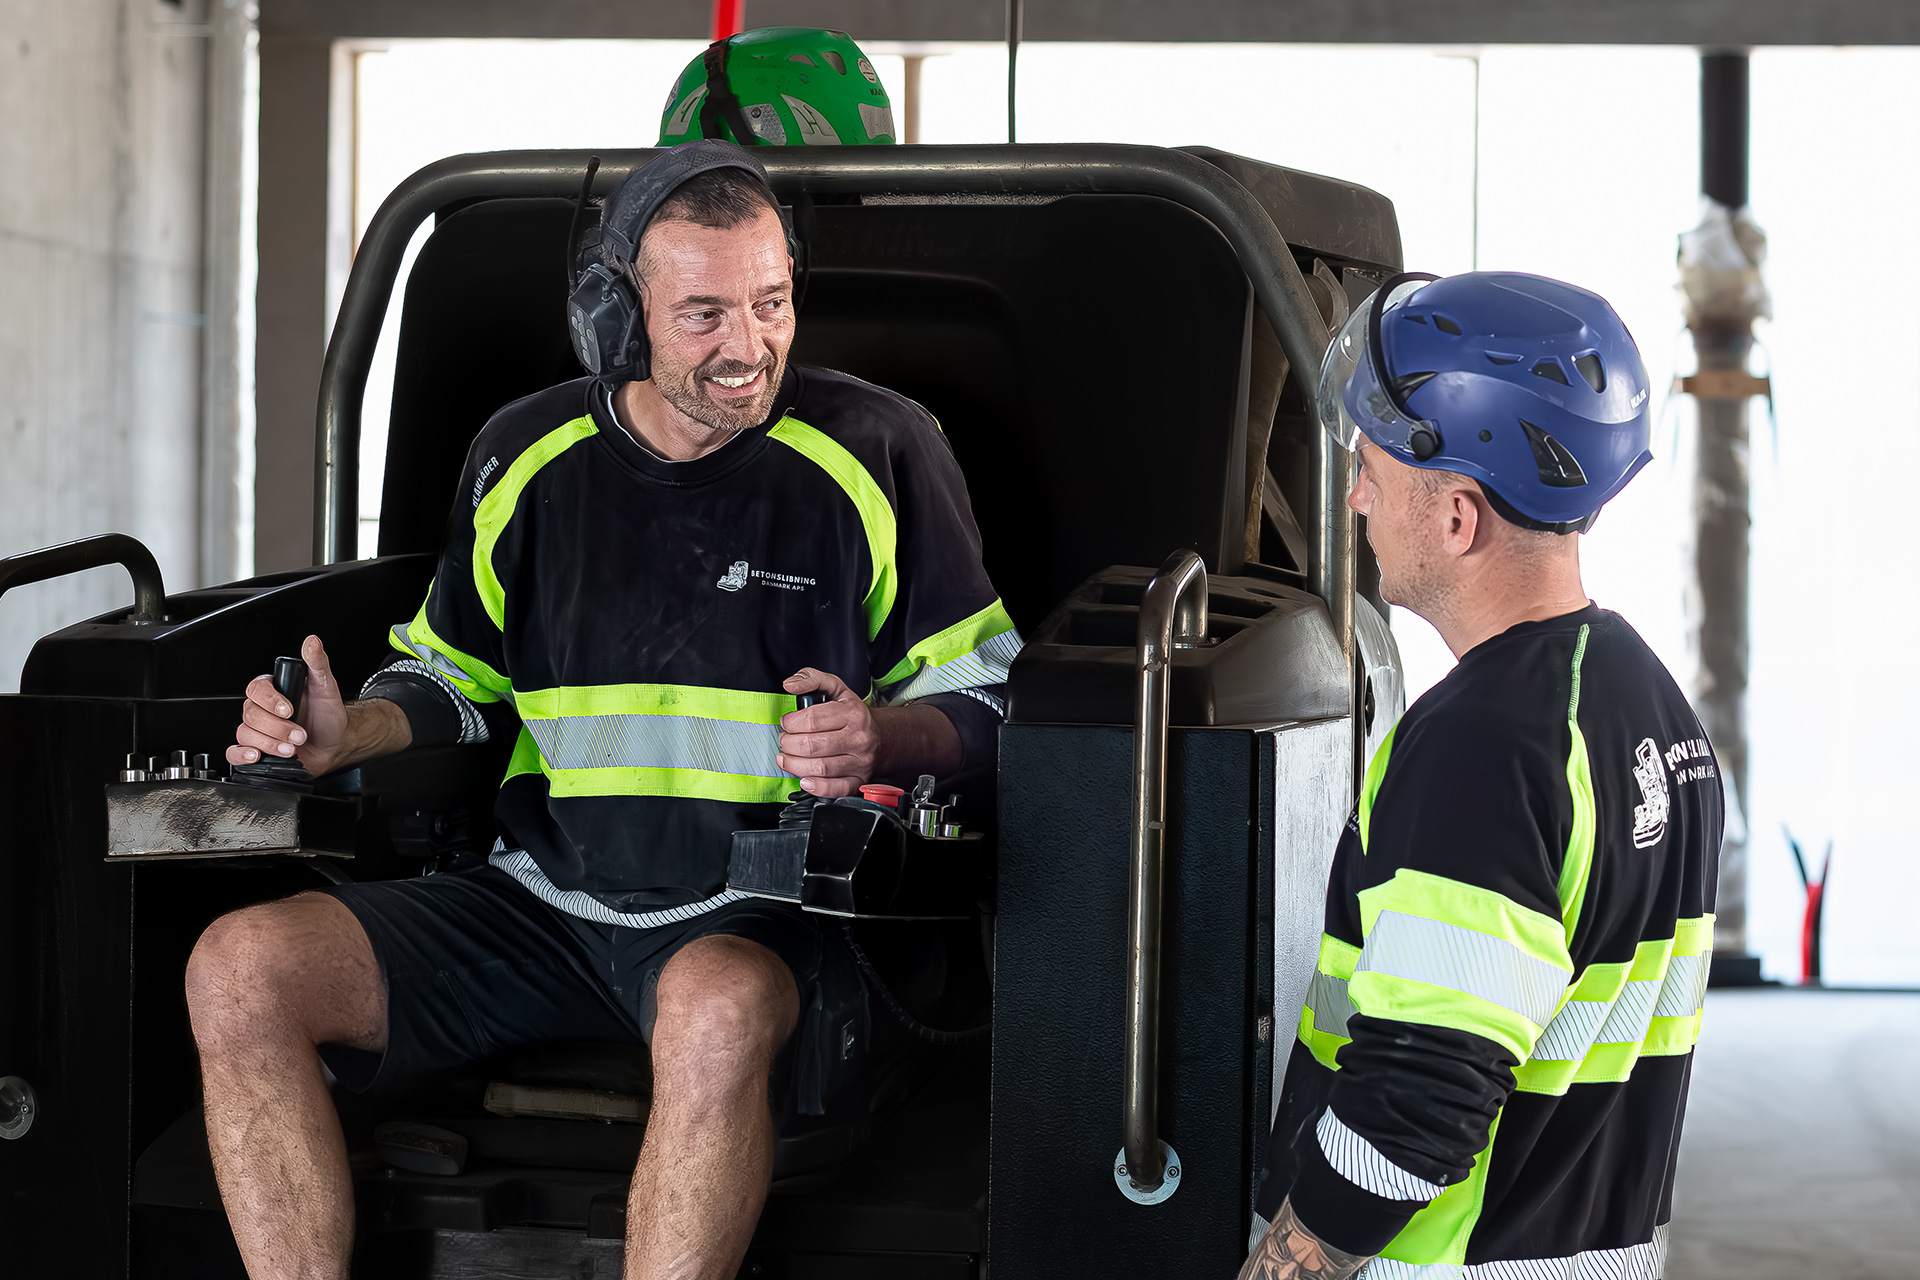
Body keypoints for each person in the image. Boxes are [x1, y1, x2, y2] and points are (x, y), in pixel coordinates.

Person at [184, 140, 1020, 1280]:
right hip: (537, 904)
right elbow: (454, 680)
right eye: (705, 314)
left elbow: (992, 697)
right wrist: (347, 735)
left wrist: (881, 735)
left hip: (756, 918)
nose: (749, 348)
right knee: (238, 967)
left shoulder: (879, 448)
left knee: (714, 1007)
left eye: (771, 304)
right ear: (617, 318)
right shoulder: (523, 457)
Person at [1240, 272, 1723, 1280]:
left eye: (1371, 467)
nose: (1355, 496)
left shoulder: (1484, 745)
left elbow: (1415, 1105)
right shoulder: (1648, 702)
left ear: (1459, 517)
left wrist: (1281, 1265)